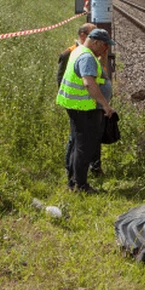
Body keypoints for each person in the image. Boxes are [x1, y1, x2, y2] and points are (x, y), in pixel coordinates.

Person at [56, 28, 115, 193]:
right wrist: (105, 105)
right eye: (104, 45)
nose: (106, 49)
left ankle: (73, 182)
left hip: (76, 105)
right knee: (84, 146)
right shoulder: (87, 57)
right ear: (95, 42)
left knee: (78, 144)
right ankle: (80, 186)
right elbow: (89, 82)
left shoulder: (80, 50)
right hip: (82, 107)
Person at [58, 23, 96, 177]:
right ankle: (72, 172)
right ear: (82, 35)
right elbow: (61, 79)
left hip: (84, 103)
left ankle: (81, 171)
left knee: (79, 139)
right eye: (92, 36)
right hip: (76, 103)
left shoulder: (88, 52)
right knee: (75, 140)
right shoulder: (70, 53)